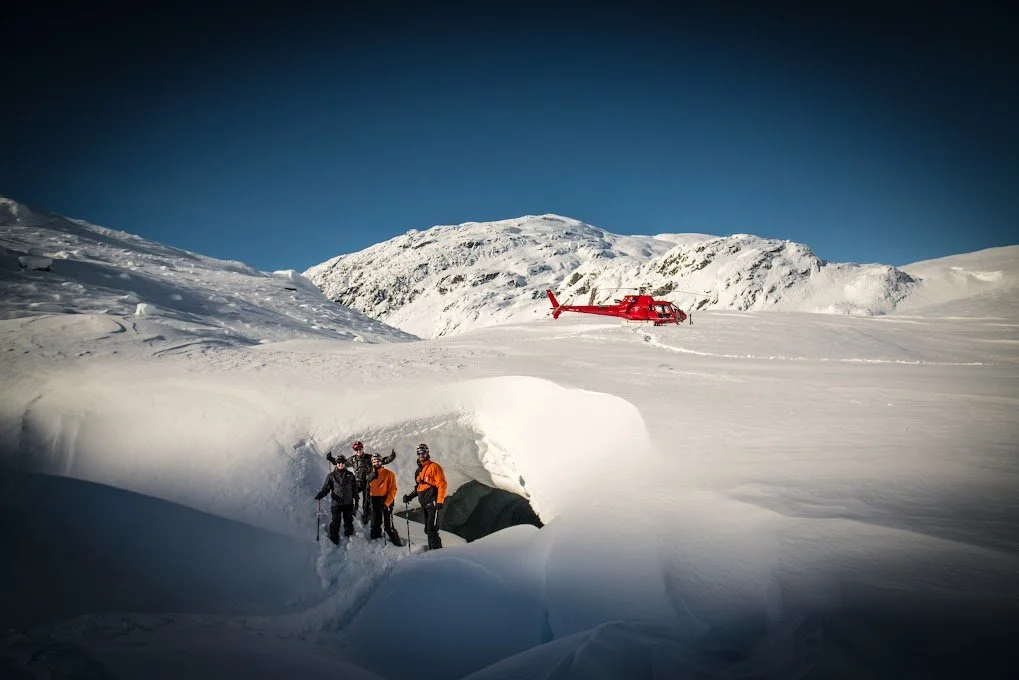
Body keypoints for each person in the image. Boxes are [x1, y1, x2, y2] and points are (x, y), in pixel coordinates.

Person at [336, 441, 395, 525]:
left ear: (362, 448)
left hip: (368, 482)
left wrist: (391, 457)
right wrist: (331, 459)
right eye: (356, 449)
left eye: (360, 448)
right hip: (358, 482)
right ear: (354, 450)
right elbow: (341, 463)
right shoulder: (353, 459)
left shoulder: (369, 457)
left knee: (366, 500)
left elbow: (382, 460)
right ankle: (352, 510)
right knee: (351, 495)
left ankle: (366, 516)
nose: (358, 450)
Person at [402, 443, 447, 550]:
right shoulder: (419, 471)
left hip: (433, 503)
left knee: (431, 529)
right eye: (419, 453)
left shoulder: (434, 467)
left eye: (423, 452)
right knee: (428, 529)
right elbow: (419, 487)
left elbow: (442, 484)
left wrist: (440, 501)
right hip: (424, 505)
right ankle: (436, 550)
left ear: (427, 453)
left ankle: (436, 551)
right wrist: (409, 497)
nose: (421, 455)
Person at [314, 454, 357, 544]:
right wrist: (321, 494)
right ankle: (334, 538)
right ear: (336, 463)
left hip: (348, 503)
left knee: (348, 521)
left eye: (342, 462)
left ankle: (349, 538)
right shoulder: (331, 475)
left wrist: (356, 500)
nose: (340, 464)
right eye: (338, 462)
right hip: (336, 503)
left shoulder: (350, 475)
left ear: (345, 463)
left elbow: (354, 489)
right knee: (336, 521)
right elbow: (326, 488)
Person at [367, 452, 403, 546]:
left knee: (388, 526)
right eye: (374, 461)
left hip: (386, 501)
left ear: (381, 462)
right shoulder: (370, 474)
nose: (375, 463)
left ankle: (398, 544)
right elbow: (366, 489)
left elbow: (393, 490)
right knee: (375, 523)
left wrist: (386, 503)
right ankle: (375, 542)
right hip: (374, 500)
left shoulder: (389, 474)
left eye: (377, 461)